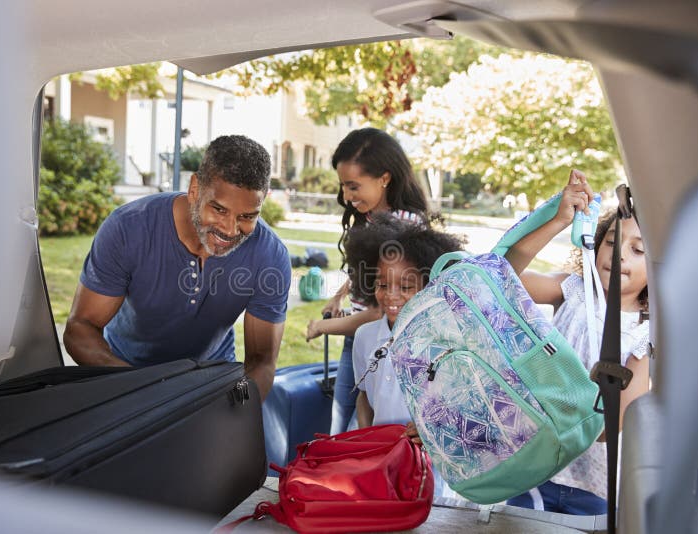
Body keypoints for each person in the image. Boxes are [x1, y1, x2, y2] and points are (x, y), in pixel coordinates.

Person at [63, 135, 290, 400]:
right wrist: (143, 391)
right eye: (218, 209)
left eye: (247, 217)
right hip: (126, 373)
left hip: (210, 378)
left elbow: (261, 361)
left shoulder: (270, 256)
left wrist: (236, 405)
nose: (230, 229)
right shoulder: (129, 228)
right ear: (195, 189)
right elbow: (80, 328)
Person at [503, 170, 651, 514]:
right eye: (612, 243)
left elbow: (614, 426)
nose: (619, 256)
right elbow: (505, 271)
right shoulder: (573, 291)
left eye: (638, 249)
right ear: (596, 244)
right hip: (536, 472)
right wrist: (558, 220)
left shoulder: (645, 335)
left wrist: (563, 413)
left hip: (596, 488)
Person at [304, 127, 432, 434]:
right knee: (341, 429)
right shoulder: (371, 216)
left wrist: (322, 327)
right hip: (359, 340)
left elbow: (380, 311)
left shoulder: (405, 226)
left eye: (353, 186)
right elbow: (366, 271)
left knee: (360, 434)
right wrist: (339, 296)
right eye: (343, 187)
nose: (346, 197)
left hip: (386, 345)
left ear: (384, 178)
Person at [344, 214, 463, 428]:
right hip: (382, 452)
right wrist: (367, 436)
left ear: (429, 287)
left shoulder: (446, 342)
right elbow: (364, 396)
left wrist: (429, 433)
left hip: (428, 458)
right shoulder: (365, 337)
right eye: (382, 285)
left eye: (406, 287)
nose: (391, 295)